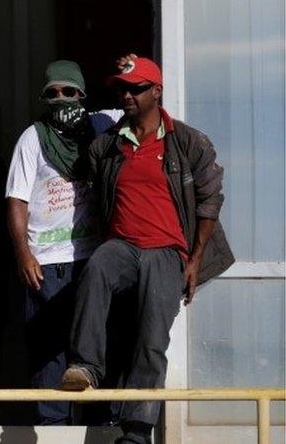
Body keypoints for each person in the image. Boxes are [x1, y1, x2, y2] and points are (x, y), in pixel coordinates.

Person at [61, 55, 235, 443]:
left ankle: (137, 432)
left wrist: (194, 260)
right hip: (121, 246)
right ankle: (85, 366)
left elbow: (209, 201)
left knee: (151, 341)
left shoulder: (187, 142)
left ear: (157, 92)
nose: (127, 95)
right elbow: (75, 167)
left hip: (166, 252)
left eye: (137, 88)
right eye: (122, 88)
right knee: (97, 268)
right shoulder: (107, 143)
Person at [5, 60, 120, 425]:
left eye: (68, 92)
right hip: (47, 264)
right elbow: (16, 199)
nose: (61, 99)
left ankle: (101, 429)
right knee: (48, 355)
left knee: (95, 351)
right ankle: (53, 432)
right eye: (52, 93)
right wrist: (23, 252)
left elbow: (146, 110)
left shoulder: (103, 126)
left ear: (82, 94)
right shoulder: (33, 138)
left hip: (93, 262)